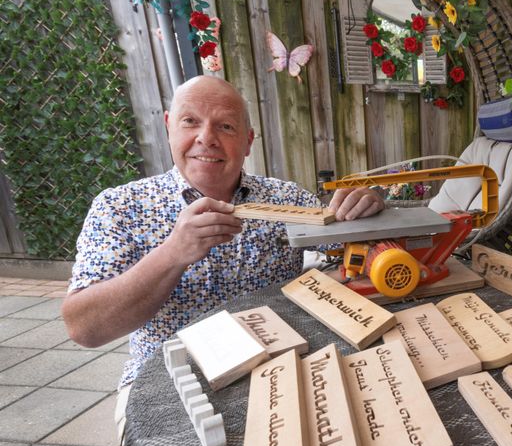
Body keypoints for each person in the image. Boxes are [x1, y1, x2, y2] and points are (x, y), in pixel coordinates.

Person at [62, 76, 383, 417]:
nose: (206, 138)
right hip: (170, 387)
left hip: (284, 374)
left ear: (247, 141)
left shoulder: (286, 199)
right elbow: (85, 329)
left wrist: (368, 209)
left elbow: (356, 238)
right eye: (190, 122)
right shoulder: (120, 207)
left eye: (225, 127)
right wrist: (172, 254)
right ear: (169, 126)